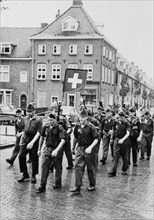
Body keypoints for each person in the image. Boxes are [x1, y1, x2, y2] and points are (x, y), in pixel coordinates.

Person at [70, 109, 99, 194]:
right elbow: (75, 137)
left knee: (90, 168)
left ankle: (92, 184)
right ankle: (77, 186)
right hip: (80, 148)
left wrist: (90, 147)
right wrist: (73, 147)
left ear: (86, 118)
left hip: (89, 149)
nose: (81, 120)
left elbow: (96, 139)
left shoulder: (91, 127)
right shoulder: (77, 126)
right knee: (78, 167)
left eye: (83, 118)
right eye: (80, 118)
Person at [37, 113, 65, 193]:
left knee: (58, 167)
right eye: (48, 120)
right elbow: (42, 137)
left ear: (55, 120)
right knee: (44, 166)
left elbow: (63, 140)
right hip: (47, 149)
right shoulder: (45, 127)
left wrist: (56, 150)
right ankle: (42, 185)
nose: (49, 121)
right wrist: (39, 149)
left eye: (51, 120)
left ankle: (58, 183)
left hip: (57, 149)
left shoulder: (59, 128)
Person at [18, 104, 42, 184]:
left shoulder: (38, 120)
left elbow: (39, 132)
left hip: (34, 140)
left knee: (34, 158)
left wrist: (32, 143)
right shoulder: (25, 119)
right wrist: (22, 138)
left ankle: (34, 175)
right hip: (25, 139)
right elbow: (24, 129)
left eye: (30, 112)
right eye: (27, 112)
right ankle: (25, 174)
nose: (28, 113)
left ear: (34, 111)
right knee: (21, 155)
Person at [108, 111, 130, 177]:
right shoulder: (116, 123)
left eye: (121, 117)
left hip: (125, 141)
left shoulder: (127, 123)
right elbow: (113, 131)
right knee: (116, 156)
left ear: (124, 117)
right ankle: (113, 171)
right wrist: (112, 138)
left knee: (125, 156)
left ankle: (124, 170)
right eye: (119, 117)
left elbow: (128, 133)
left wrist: (123, 139)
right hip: (117, 140)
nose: (120, 118)